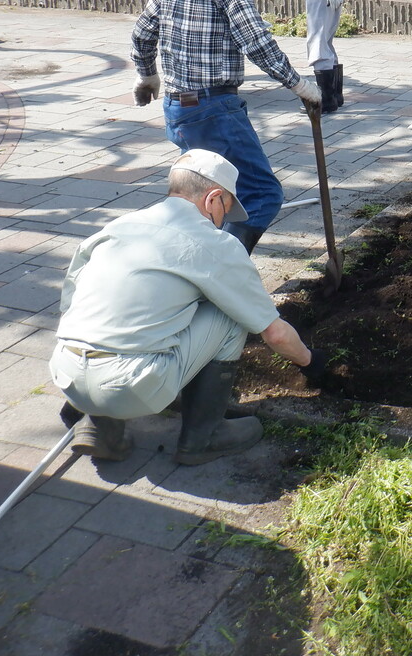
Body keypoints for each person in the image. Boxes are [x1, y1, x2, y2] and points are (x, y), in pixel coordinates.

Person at [49, 149, 328, 465]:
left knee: (125, 309)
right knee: (230, 313)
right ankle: (204, 437)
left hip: (67, 376)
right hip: (129, 387)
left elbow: (71, 301)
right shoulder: (215, 244)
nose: (223, 221)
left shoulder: (118, 227)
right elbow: (274, 334)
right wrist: (311, 362)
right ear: (213, 200)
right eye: (226, 210)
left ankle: (100, 428)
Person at [131, 0, 322, 255]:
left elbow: (142, 31)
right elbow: (256, 41)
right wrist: (300, 85)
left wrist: (146, 74)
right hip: (213, 110)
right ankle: (220, 276)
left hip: (178, 108)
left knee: (207, 205)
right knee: (261, 194)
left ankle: (196, 271)